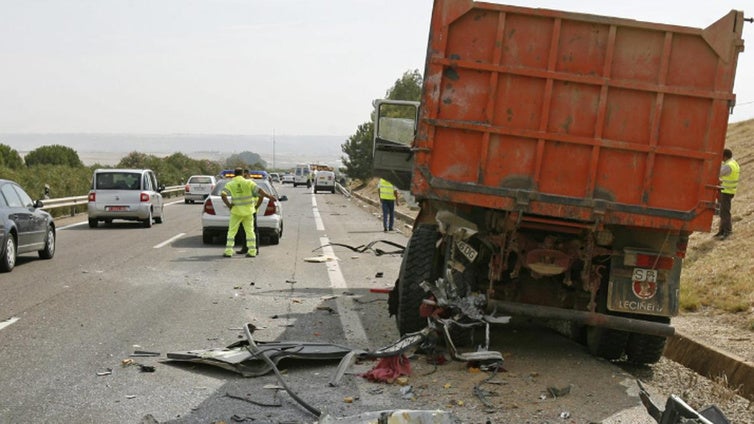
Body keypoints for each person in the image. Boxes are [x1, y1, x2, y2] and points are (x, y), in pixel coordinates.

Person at [221, 167, 275, 257]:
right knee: (250, 231)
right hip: (249, 212)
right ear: (243, 174)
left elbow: (223, 195)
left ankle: (228, 251)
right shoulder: (249, 183)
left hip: (236, 212)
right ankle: (252, 251)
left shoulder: (230, 184)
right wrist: (269, 197)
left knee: (231, 231)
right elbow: (260, 191)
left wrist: (229, 205)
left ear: (234, 174)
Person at [715, 148, 740, 240]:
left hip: (726, 191)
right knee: (722, 211)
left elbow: (718, 173)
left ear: (724, 156)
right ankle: (721, 231)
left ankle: (727, 231)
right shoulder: (734, 163)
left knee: (725, 212)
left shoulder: (728, 166)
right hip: (729, 191)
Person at [236, 169, 263, 255]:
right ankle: (245, 248)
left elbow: (260, 196)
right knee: (242, 230)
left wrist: (256, 207)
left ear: (247, 175)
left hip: (251, 210)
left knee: (253, 230)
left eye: (244, 175)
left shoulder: (251, 184)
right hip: (241, 211)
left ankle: (255, 249)